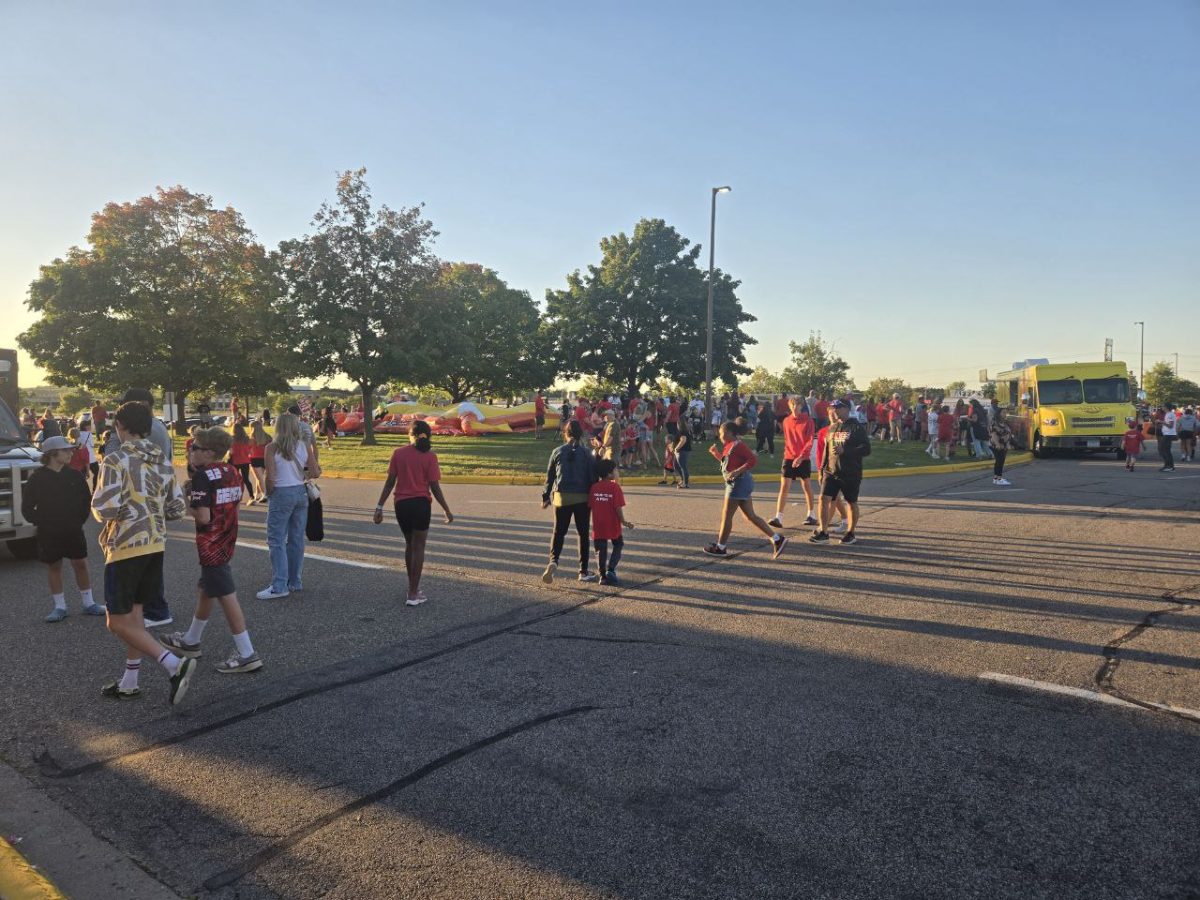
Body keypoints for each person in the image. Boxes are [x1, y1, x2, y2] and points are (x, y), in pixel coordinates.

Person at [91, 401, 193, 703]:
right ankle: (130, 681)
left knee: (117, 621)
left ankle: (174, 664)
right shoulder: (161, 457)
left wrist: (126, 511)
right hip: (155, 542)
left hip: (125, 545)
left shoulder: (115, 459)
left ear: (120, 426)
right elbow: (176, 508)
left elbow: (103, 507)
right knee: (136, 617)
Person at [157, 427, 262, 673]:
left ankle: (247, 653)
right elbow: (233, 505)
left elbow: (203, 516)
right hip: (227, 538)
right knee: (206, 588)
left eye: (195, 448)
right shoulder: (233, 471)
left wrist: (183, 503)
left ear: (209, 452)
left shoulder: (203, 477)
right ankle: (191, 640)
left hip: (210, 542)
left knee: (226, 595)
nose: (190, 452)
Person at [22, 436, 105, 623]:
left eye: (71, 449)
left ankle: (89, 603)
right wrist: (43, 522)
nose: (71, 452)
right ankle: (59, 607)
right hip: (48, 533)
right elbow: (27, 508)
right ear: (53, 454)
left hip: (73, 530)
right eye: (66, 450)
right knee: (54, 566)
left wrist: (78, 521)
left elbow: (86, 501)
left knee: (81, 564)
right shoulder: (37, 478)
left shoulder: (75, 475)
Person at [372, 420, 453, 605]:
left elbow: (390, 482)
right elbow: (435, 487)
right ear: (428, 435)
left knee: (409, 544)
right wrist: (447, 509)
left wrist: (379, 506)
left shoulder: (398, 453)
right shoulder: (430, 456)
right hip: (421, 505)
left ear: (411, 435)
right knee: (419, 547)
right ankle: (413, 592)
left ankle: (412, 588)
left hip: (401, 504)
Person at [122, 388, 175, 627]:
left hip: (140, 503)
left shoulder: (144, 433)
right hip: (155, 501)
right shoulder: (159, 428)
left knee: (142, 558)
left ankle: (153, 610)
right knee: (151, 554)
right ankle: (149, 608)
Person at [257, 412, 322, 600]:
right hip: (300, 492)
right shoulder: (303, 445)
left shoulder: (271, 448)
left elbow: (270, 477)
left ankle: (279, 584)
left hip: (281, 492)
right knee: (296, 538)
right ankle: (295, 581)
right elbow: (315, 472)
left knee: (276, 539)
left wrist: (269, 493)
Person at [703, 420, 787, 559]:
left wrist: (736, 472)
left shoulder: (738, 445)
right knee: (750, 516)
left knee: (727, 516)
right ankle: (777, 539)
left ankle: (721, 547)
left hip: (738, 484)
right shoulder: (730, 445)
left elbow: (752, 460)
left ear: (730, 433)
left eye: (721, 433)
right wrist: (716, 454)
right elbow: (729, 464)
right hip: (739, 483)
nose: (720, 435)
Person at [541, 420, 599, 584]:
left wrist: (546, 497)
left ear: (565, 433)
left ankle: (553, 561)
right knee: (582, 534)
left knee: (559, 532)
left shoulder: (557, 451)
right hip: (582, 497)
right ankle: (583, 571)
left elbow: (550, 477)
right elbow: (592, 477)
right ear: (581, 435)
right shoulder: (587, 453)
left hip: (562, 497)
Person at [809, 400, 870, 546]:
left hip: (850, 472)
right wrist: (822, 470)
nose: (834, 411)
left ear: (846, 409)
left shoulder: (856, 427)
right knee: (823, 499)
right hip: (831, 471)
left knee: (851, 502)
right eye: (832, 408)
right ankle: (823, 532)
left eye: (837, 408)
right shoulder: (833, 427)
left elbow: (866, 449)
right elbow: (826, 451)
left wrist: (847, 451)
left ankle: (850, 533)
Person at [770, 396, 817, 528]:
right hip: (789, 457)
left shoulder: (808, 421)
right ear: (789, 406)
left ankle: (811, 515)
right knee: (784, 486)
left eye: (797, 405)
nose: (795, 407)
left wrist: (801, 456)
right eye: (792, 405)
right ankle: (778, 517)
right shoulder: (786, 421)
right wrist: (792, 455)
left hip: (803, 458)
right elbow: (788, 440)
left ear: (802, 406)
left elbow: (809, 441)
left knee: (806, 486)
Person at [589, 458, 634, 586]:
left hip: (598, 525)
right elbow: (618, 508)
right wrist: (624, 522)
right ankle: (611, 569)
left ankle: (602, 576)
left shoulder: (594, 487)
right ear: (609, 474)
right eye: (615, 470)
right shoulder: (615, 487)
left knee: (600, 550)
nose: (616, 472)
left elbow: (591, 505)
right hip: (613, 523)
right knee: (618, 544)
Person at [988, 407, 1016, 486]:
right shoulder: (994, 422)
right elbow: (993, 434)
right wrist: (997, 444)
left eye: (1005, 412)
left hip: (1004, 445)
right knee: (999, 460)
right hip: (996, 445)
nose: (1005, 414)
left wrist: (1009, 444)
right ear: (999, 413)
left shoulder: (1005, 422)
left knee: (1001, 461)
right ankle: (998, 478)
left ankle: (997, 478)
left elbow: (1008, 433)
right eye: (1003, 412)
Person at [229, 421, 253, 505]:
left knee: (235, 480)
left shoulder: (231, 439)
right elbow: (251, 452)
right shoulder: (247, 439)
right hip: (245, 461)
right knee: (246, 479)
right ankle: (251, 496)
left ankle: (235, 497)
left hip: (235, 461)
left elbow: (231, 452)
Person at [248, 419, 269, 503]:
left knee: (259, 478)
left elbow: (248, 451)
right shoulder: (267, 437)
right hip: (265, 458)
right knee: (259, 478)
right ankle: (257, 493)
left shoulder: (251, 438)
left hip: (255, 459)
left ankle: (265, 494)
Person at [672, 417, 693, 488]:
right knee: (676, 465)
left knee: (683, 467)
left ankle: (685, 483)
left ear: (679, 424)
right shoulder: (682, 431)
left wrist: (676, 448)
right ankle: (683, 479)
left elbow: (683, 440)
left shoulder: (682, 432)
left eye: (677, 424)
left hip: (682, 451)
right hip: (679, 451)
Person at [1159, 402, 1178, 472]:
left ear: (1166, 407)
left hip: (1169, 434)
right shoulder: (1168, 414)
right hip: (1167, 434)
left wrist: (1161, 422)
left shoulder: (1170, 414)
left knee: (1164, 450)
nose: (1162, 407)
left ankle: (1169, 466)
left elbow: (1171, 425)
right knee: (1165, 450)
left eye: (1163, 406)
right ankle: (1168, 465)